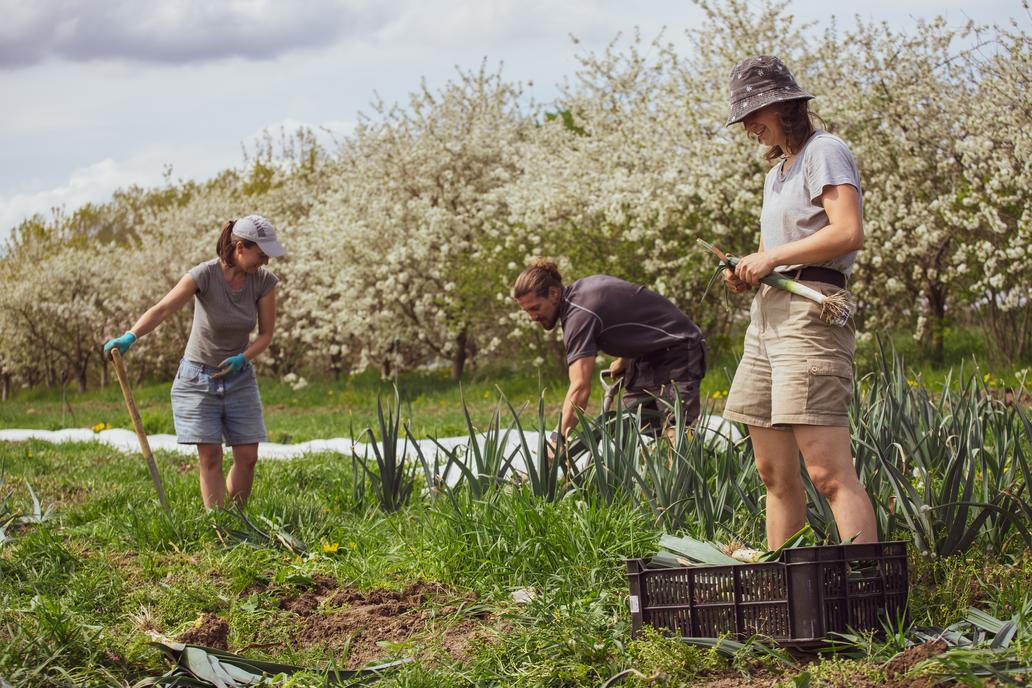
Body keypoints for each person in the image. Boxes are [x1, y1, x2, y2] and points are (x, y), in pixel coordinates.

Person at [720, 55, 877, 547]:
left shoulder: (824, 151)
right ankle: (782, 580)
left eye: (754, 113)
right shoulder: (776, 174)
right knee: (772, 473)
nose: (749, 126)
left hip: (812, 310)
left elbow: (848, 232)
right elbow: (773, 250)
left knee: (828, 473)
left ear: (784, 105)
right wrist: (747, 271)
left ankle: (868, 582)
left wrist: (772, 258)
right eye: (743, 118)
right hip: (767, 319)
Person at [103, 215, 284, 509]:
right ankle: (219, 524)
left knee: (248, 457)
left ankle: (237, 520)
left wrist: (243, 358)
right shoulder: (204, 275)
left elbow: (266, 335)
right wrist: (130, 336)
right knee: (211, 456)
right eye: (261, 254)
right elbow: (163, 309)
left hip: (239, 378)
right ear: (240, 247)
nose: (265, 261)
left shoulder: (263, 282)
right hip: (198, 378)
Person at [513, 260, 706, 445]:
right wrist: (624, 359)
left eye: (535, 308)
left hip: (678, 347)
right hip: (645, 354)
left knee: (678, 429)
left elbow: (580, 387)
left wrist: (558, 438)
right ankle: (656, 465)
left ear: (553, 293)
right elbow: (632, 318)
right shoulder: (579, 297)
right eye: (527, 311)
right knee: (632, 425)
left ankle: (687, 466)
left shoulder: (580, 314)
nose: (532, 317)